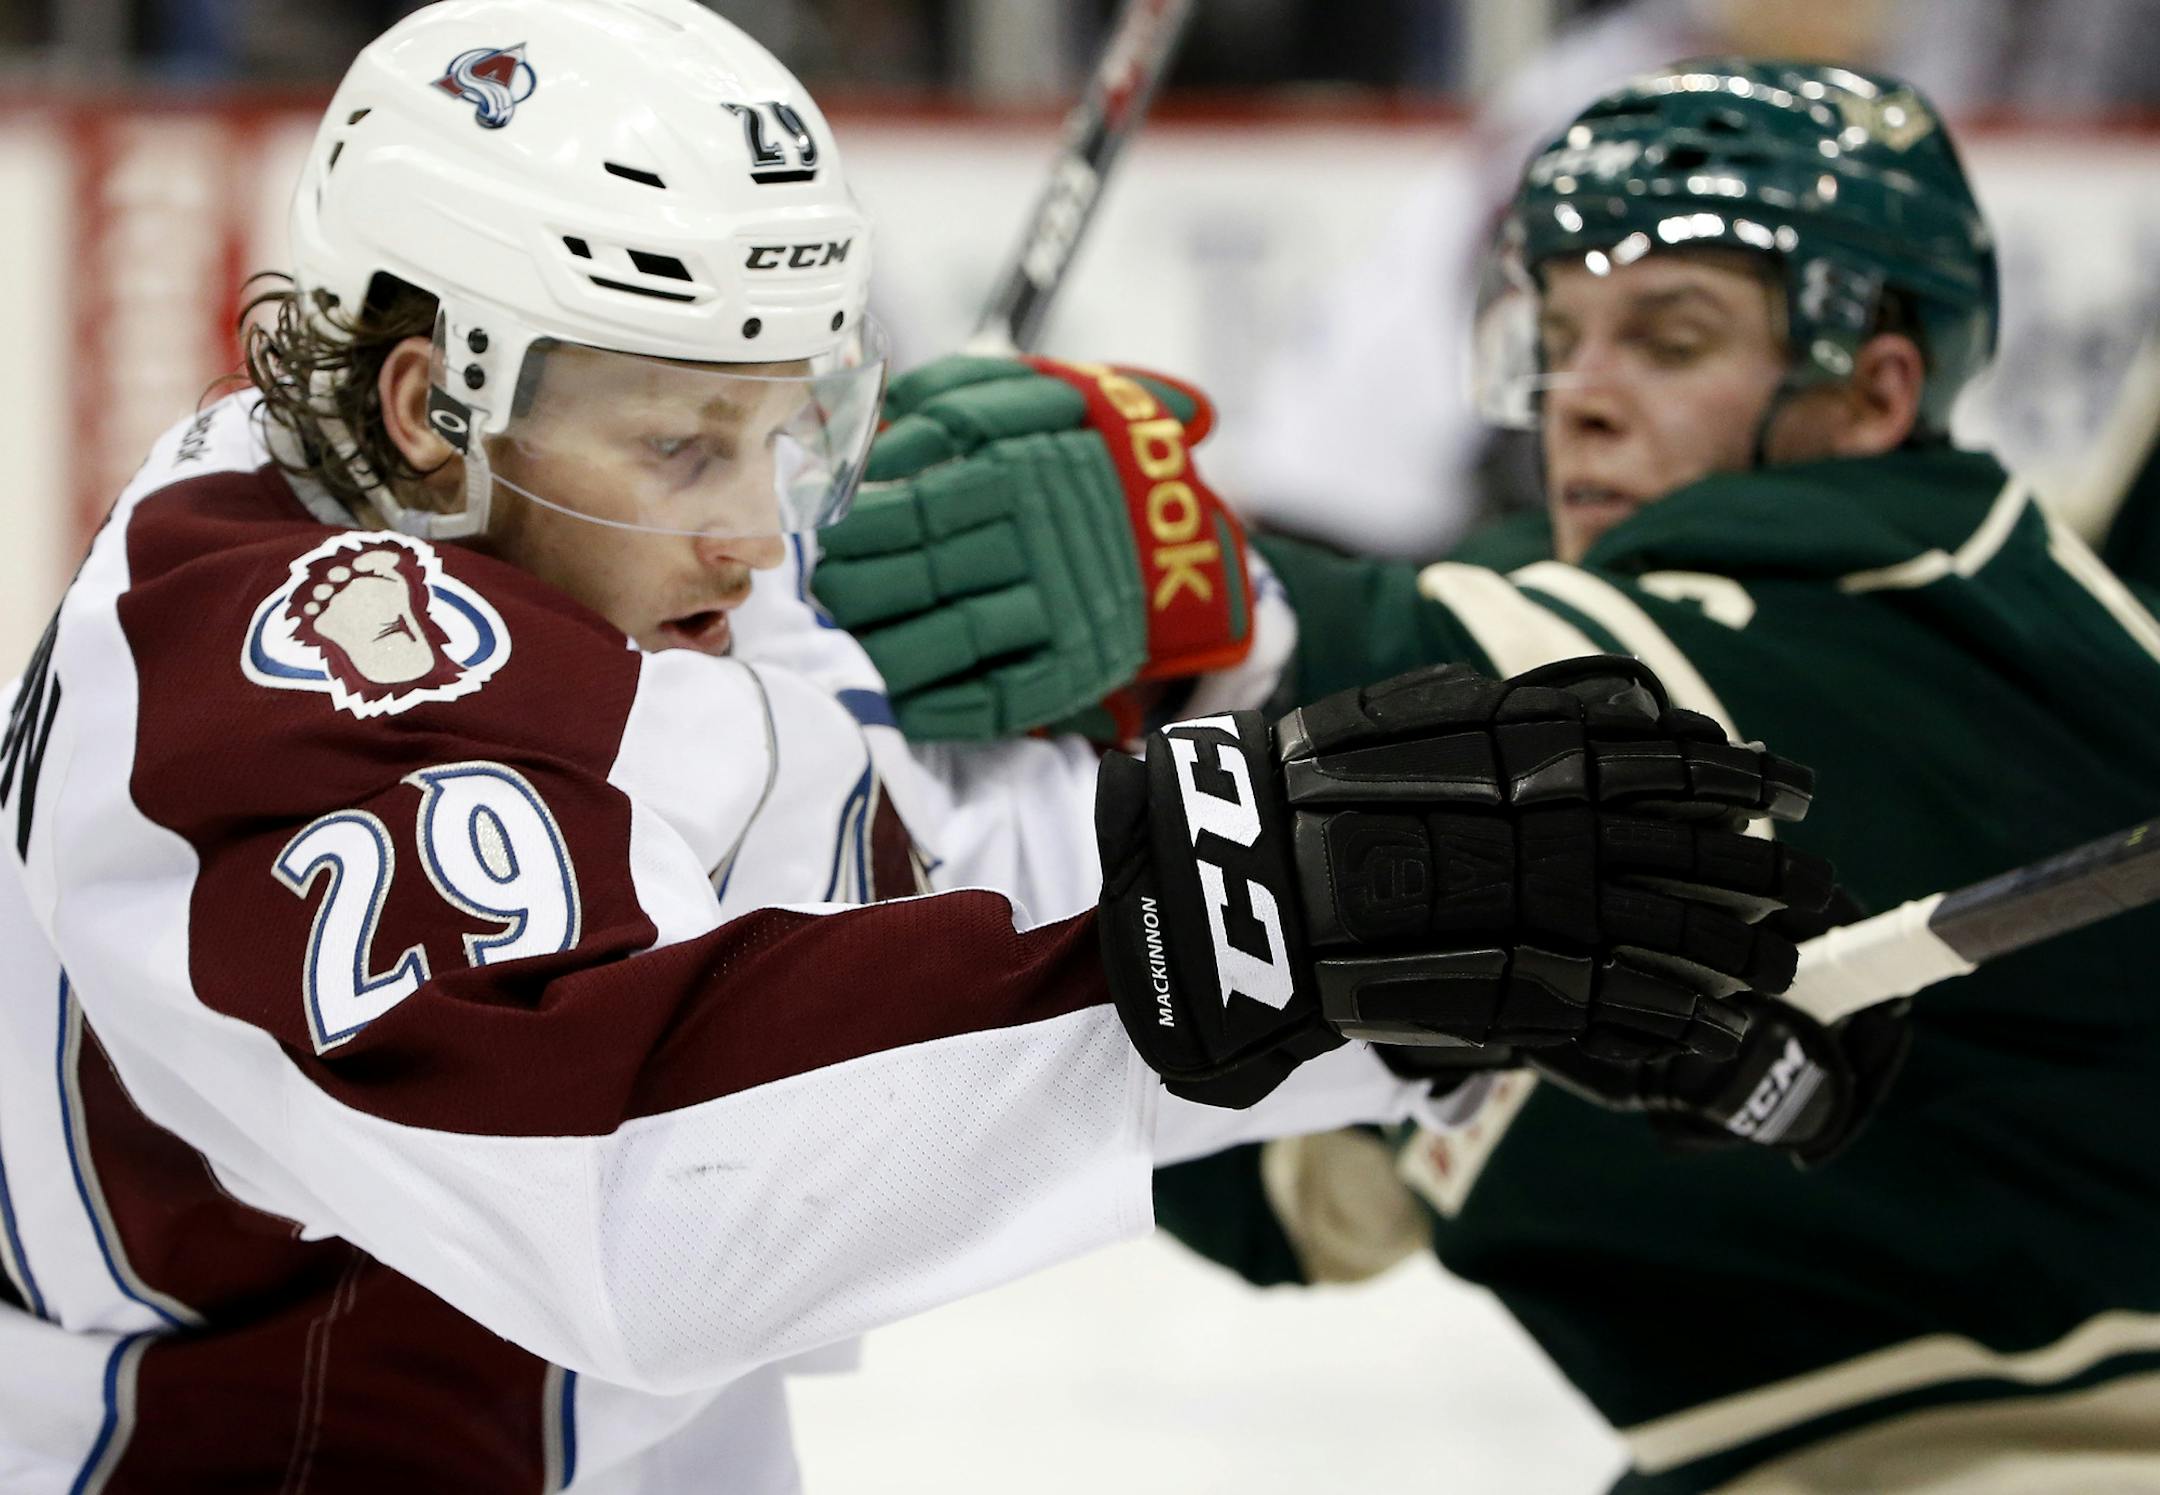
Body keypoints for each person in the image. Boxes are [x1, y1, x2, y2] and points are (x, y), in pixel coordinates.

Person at [0, 6, 1832, 1490]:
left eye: (787, 429)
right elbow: (640, 1189)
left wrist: (1414, 927)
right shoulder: (275, 664)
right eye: (684, 441)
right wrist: (1261, 938)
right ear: (429, 405)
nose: (753, 528)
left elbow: (895, 890)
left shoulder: (593, 557)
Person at [815, 59, 2160, 1491]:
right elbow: (1301, 1197)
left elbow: (1532, 692)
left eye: (1672, 337)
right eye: (1560, 335)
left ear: (1875, 389)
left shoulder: (1954, 613)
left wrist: (1214, 596)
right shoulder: (1608, 660)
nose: (1578, 398)